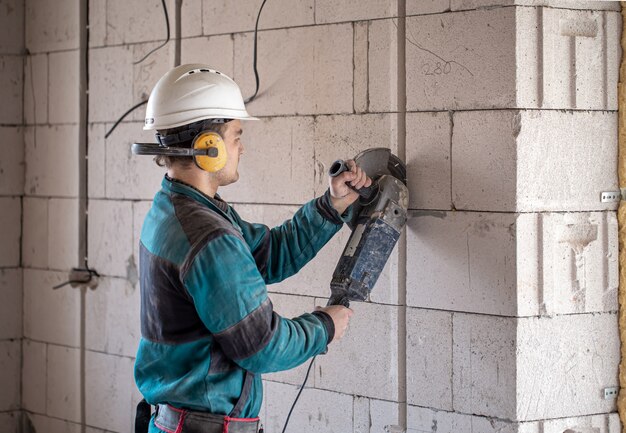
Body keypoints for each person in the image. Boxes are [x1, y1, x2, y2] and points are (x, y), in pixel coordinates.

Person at [133, 64, 371, 433]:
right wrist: (325, 326)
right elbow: (262, 345)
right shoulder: (207, 235)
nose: (241, 148)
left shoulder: (175, 207)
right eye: (235, 136)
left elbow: (265, 254)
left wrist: (332, 204)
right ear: (208, 147)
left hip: (178, 422)